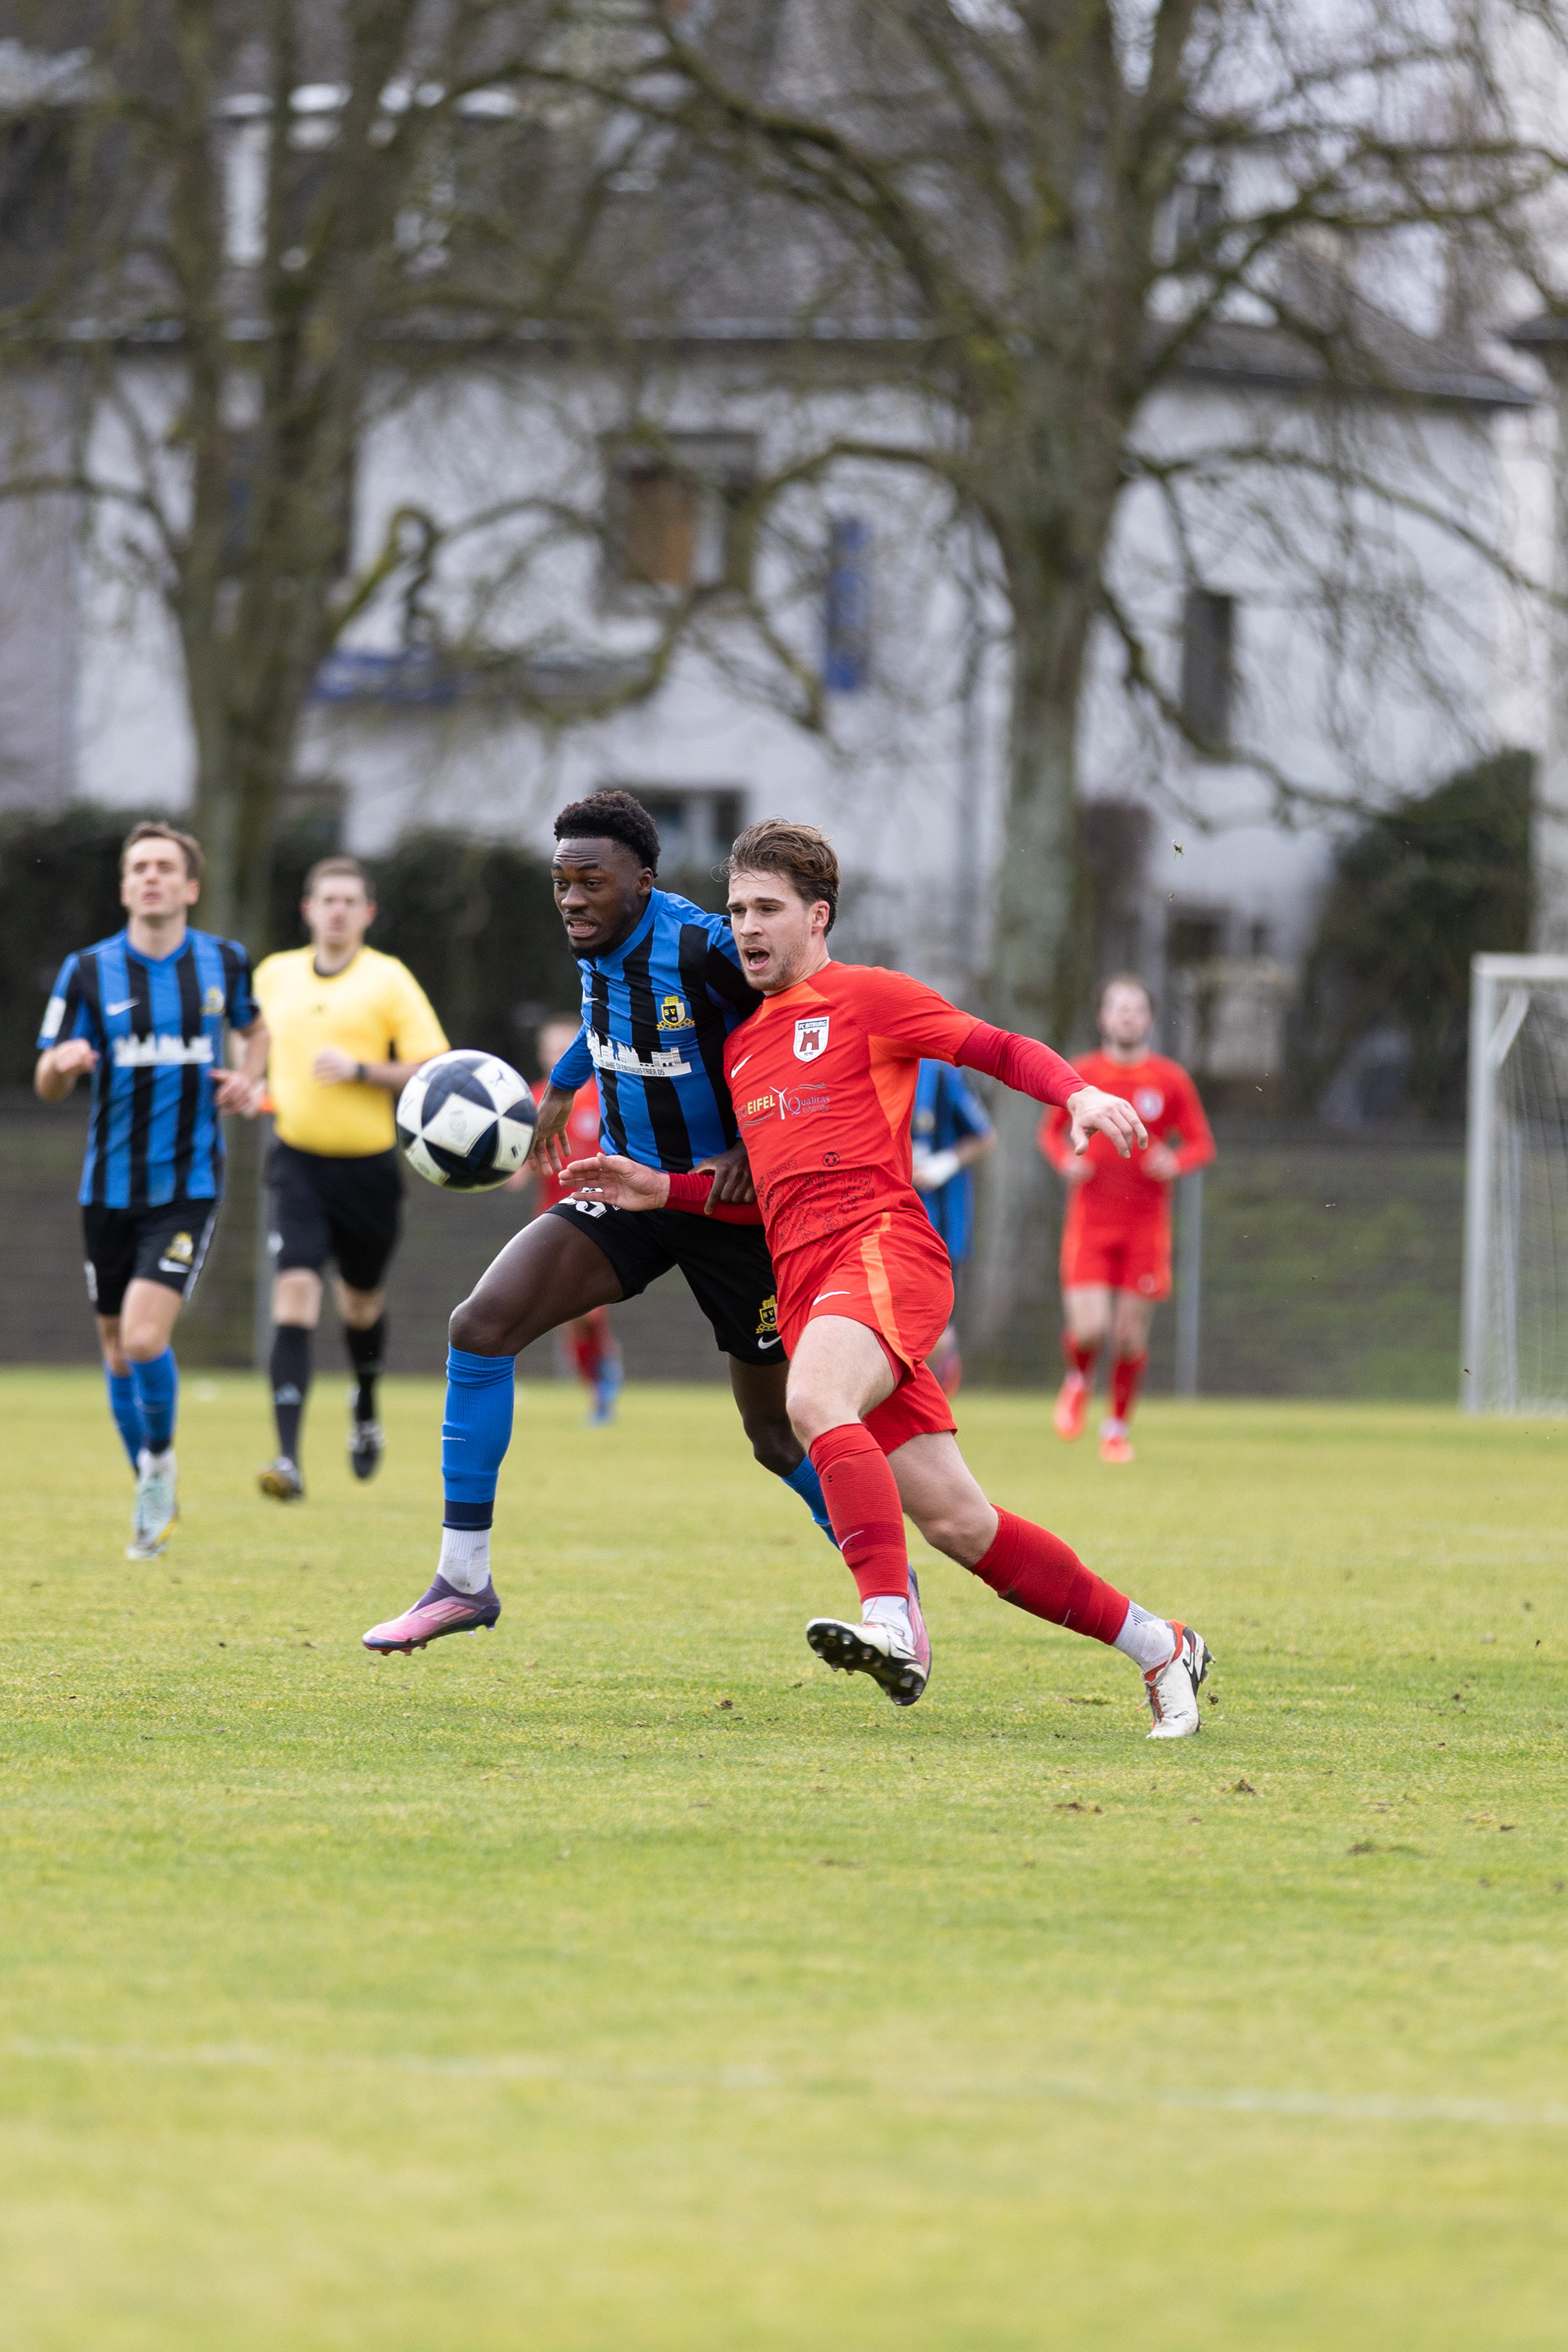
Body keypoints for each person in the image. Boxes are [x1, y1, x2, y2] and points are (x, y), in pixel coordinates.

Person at [561, 819, 1214, 1740]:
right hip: (809, 1281)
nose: (745, 927)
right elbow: (761, 1200)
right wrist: (660, 1188)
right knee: (962, 1524)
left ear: (818, 916)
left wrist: (1081, 1094)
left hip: (883, 1248)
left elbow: (992, 1047)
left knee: (813, 1396)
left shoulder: (868, 999)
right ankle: (1160, 1644)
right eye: (737, 909)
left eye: (768, 910)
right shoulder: (742, 1048)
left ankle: (890, 1618)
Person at [360, 790, 837, 1656]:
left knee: (774, 1436)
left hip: (730, 1209)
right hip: (625, 1190)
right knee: (480, 1327)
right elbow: (598, 1015)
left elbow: (800, 1021)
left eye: (592, 882)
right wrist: (560, 1092)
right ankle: (462, 1580)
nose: (573, 899)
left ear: (643, 882)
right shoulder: (597, 946)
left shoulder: (705, 946)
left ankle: (888, 1586)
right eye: (561, 883)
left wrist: (751, 1141)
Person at [33, 821, 268, 1558]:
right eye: (139, 868)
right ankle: (148, 1481)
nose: (152, 878)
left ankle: (159, 1464)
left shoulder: (224, 963)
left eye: (166, 867)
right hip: (106, 1189)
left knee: (141, 1338)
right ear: (126, 885)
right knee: (113, 1348)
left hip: (187, 1185)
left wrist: (250, 1079)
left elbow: (257, 1032)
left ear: (190, 887)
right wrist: (64, 1065)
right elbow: (43, 1081)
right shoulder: (86, 972)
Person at [250, 856, 448, 1500]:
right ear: (308, 909)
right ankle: (287, 1459)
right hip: (295, 1162)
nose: (337, 910)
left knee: (360, 1304)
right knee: (295, 1292)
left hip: (367, 1169)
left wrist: (363, 1070)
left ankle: (364, 1406)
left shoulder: (387, 981)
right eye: (326, 899)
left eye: (349, 901)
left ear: (367, 913)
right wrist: (248, 1080)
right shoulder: (274, 974)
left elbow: (435, 1065)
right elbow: (251, 1042)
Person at [1039, 974, 1216, 1464]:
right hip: (1091, 1223)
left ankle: (1116, 1429)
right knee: (1091, 1329)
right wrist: (1065, 1161)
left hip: (1146, 1226)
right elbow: (1051, 1133)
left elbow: (1201, 1142)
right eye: (1118, 1007)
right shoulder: (1081, 1073)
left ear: (1150, 1019)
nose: (1127, 1016)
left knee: (1129, 1336)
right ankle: (1078, 1380)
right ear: (1103, 1016)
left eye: (1137, 1008)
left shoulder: (1170, 1079)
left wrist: (1175, 1162)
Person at [506, 1016, 625, 1424]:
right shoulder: (536, 1101)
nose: (557, 1054)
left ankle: (605, 1379)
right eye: (551, 1047)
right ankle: (599, 1384)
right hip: (552, 1220)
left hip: (600, 1215)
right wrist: (511, 1169)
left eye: (565, 1046)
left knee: (587, 1311)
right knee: (572, 1319)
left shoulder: (601, 1096)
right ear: (542, 1055)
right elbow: (517, 1164)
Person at [910, 1059, 994, 1396]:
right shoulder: (866, 1057)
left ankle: (935, 1395)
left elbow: (984, 1136)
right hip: (885, 1219)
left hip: (943, 1222)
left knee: (935, 1330)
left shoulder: (941, 1072)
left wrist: (942, 1166)